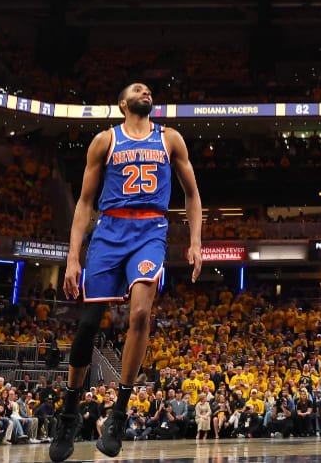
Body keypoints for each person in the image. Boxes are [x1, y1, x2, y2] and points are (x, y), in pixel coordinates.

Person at [49, 83, 204, 462]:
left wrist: (196, 241)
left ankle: (118, 411)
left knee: (139, 314)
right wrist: (73, 258)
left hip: (150, 231)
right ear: (122, 103)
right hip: (109, 231)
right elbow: (85, 202)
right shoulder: (105, 140)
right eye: (137, 88)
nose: (145, 90)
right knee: (88, 325)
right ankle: (69, 411)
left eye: (148, 89)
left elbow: (193, 194)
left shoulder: (171, 139)